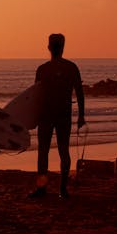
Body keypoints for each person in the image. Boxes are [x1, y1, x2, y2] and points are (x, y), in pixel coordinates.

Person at [30, 34, 85, 199]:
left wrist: (32, 118)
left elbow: (35, 96)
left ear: (48, 47)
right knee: (63, 151)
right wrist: (81, 116)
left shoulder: (42, 69)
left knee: (43, 152)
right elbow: (80, 93)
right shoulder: (71, 68)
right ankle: (62, 189)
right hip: (63, 115)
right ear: (62, 47)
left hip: (46, 115)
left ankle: (42, 189)